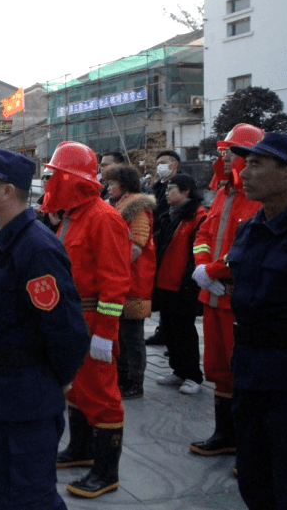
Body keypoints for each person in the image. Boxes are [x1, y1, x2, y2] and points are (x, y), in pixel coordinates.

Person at [0, 148, 89, 509]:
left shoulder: (35, 247)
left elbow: (67, 329)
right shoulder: (4, 240)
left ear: (7, 191)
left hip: (25, 398)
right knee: (1, 490)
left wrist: (56, 377)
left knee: (31, 498)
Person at [40, 141, 132, 499]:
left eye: (54, 176)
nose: (49, 183)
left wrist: (106, 334)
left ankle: (106, 471)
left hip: (94, 320)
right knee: (77, 389)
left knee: (103, 395)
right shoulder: (72, 218)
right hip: (73, 319)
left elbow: (115, 281)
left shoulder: (103, 218)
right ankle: (81, 450)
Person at [226, 132, 287, 509]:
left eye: (256, 164)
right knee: (253, 475)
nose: (245, 171)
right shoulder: (251, 229)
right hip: (251, 370)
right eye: (245, 162)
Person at [190, 123, 264, 458]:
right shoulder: (223, 193)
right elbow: (203, 234)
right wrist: (203, 268)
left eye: (231, 150)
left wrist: (215, 270)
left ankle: (251, 445)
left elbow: (252, 248)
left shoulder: (259, 198)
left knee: (245, 372)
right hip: (214, 296)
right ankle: (225, 435)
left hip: (240, 298)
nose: (225, 156)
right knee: (218, 367)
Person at [101, 164, 156, 400]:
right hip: (122, 277)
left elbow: (136, 247)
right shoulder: (117, 206)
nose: (108, 187)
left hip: (134, 280)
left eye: (112, 184)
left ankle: (135, 381)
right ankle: (123, 377)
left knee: (132, 337)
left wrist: (111, 259)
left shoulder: (137, 209)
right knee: (121, 333)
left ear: (123, 185)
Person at [153, 173, 206, 394]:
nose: (167, 192)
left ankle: (193, 375)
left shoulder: (199, 216)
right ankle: (178, 371)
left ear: (186, 191)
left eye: (171, 188)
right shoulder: (169, 215)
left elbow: (198, 252)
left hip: (184, 285)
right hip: (165, 283)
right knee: (170, 331)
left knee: (185, 331)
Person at [146, 150, 182, 347]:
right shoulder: (157, 187)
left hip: (172, 240)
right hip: (157, 240)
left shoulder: (183, 184)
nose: (160, 166)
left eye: (164, 162)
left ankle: (175, 339)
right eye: (158, 162)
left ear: (174, 164)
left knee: (172, 295)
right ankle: (163, 331)